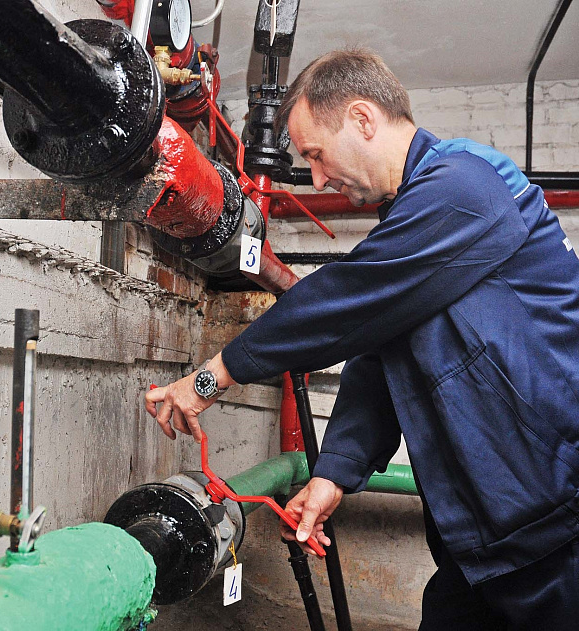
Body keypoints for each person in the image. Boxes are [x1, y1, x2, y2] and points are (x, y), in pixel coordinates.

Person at [145, 48, 579, 630]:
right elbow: (376, 366)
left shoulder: (467, 185)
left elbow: (339, 302)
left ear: (363, 119)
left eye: (317, 156)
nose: (318, 179)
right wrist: (333, 475)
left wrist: (212, 376)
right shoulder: (411, 222)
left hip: (557, 526)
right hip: (485, 538)